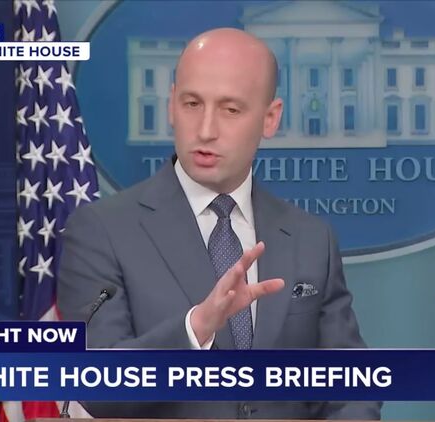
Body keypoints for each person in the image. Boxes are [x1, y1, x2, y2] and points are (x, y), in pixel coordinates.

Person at [57, 27, 381, 420]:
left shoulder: (310, 239)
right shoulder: (102, 231)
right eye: (192, 104)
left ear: (270, 118)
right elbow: (95, 385)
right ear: (171, 105)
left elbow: (351, 386)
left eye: (230, 110)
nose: (206, 130)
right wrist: (195, 328)